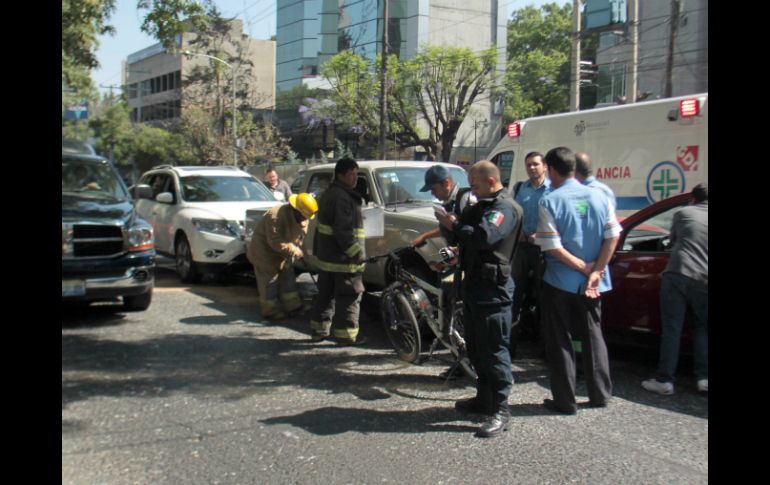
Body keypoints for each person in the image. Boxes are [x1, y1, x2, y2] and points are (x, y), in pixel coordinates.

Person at [436, 160, 522, 438]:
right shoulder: (482, 205)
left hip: (493, 291)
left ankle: (501, 408)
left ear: (492, 181)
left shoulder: (505, 208)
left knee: (495, 349)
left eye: (475, 184)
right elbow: (463, 233)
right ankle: (483, 399)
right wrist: (448, 224)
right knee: (476, 347)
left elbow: (484, 236)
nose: (471, 189)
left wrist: (457, 224)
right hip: (474, 287)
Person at [535, 147, 621, 415]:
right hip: (594, 284)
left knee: (560, 339)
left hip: (560, 281)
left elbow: (552, 246)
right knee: (593, 336)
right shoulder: (600, 195)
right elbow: (613, 236)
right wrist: (596, 271)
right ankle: (600, 394)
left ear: (550, 169)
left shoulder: (550, 201)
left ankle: (565, 400)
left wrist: (583, 268)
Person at [642, 183, 708, 395]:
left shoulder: (683, 212)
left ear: (693, 199)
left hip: (678, 273)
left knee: (672, 328)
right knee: (702, 328)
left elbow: (672, 241)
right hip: (704, 278)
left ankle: (665, 380)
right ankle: (703, 378)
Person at [411, 165, 475, 381]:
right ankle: (461, 360)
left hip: (468, 266)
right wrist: (426, 235)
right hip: (458, 262)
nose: (432, 194)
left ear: (446, 184)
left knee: (456, 313)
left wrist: (456, 254)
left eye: (434, 188)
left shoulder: (466, 199)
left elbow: (470, 233)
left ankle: (465, 362)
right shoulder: (451, 202)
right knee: (451, 310)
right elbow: (449, 226)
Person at [308, 157, 367, 345]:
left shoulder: (330, 193)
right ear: (340, 175)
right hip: (343, 259)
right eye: (351, 174)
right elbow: (343, 230)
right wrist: (356, 252)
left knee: (325, 295)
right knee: (349, 295)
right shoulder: (342, 197)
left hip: (327, 258)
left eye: (356, 174)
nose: (355, 178)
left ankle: (319, 330)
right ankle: (347, 335)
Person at [247, 193, 319, 320]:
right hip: (265, 251)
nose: (305, 219)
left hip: (285, 251)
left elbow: (300, 239)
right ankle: (270, 310)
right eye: (303, 215)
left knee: (288, 276)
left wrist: (304, 257)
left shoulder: (303, 218)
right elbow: (274, 241)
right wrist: (294, 250)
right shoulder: (275, 216)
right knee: (269, 281)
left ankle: (293, 306)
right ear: (296, 210)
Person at [510, 152, 551, 350]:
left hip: (544, 250)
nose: (532, 168)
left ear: (544, 166)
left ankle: (544, 345)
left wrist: (542, 236)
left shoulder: (553, 190)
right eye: (528, 165)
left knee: (544, 297)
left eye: (535, 164)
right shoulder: (520, 189)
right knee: (515, 295)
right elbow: (512, 215)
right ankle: (510, 345)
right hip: (522, 249)